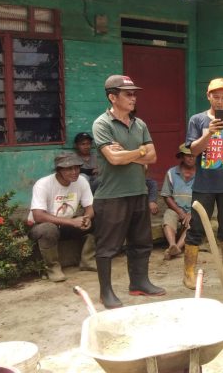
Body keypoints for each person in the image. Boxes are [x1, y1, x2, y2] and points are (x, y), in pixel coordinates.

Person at [92, 74, 165, 309]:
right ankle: (106, 292)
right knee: (108, 247)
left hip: (138, 192)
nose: (133, 98)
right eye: (128, 94)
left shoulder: (139, 124)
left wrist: (129, 153)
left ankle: (139, 283)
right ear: (113, 97)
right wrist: (139, 153)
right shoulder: (102, 124)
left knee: (141, 242)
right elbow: (113, 158)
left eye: (134, 93)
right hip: (111, 196)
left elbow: (153, 156)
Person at [183, 78, 223, 290]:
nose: (220, 102)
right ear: (208, 96)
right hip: (203, 186)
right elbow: (192, 151)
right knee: (196, 228)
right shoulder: (197, 120)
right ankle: (189, 273)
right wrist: (209, 132)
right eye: (216, 97)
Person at [28, 152, 95, 282]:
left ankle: (88, 261)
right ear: (59, 170)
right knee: (48, 229)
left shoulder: (81, 181)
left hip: (66, 225)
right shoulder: (43, 184)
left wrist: (87, 218)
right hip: (40, 227)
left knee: (99, 218)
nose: (75, 171)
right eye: (69, 168)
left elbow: (90, 207)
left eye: (77, 167)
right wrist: (72, 222)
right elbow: (38, 216)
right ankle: (52, 268)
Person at [161, 144, 195, 261]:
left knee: (194, 222)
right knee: (168, 216)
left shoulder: (201, 174)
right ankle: (172, 244)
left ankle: (176, 248)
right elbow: (166, 196)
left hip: (193, 209)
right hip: (176, 208)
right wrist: (179, 211)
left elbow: (203, 197)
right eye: (188, 156)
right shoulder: (171, 173)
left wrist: (191, 212)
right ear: (182, 157)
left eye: (194, 156)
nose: (191, 158)